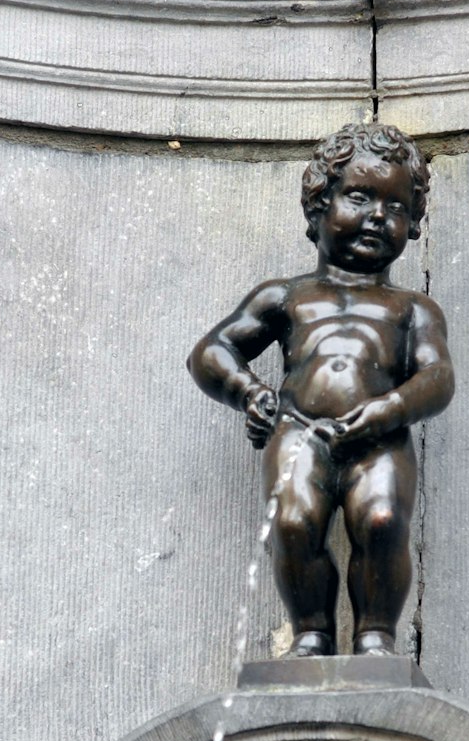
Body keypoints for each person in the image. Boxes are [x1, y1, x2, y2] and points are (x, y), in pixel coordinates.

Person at [189, 122, 454, 657]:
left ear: (415, 224)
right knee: (292, 521)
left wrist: (390, 410)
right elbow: (211, 352)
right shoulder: (287, 297)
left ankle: (376, 635)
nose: (379, 216)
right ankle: (311, 631)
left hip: (379, 433)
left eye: (397, 207)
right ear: (318, 205)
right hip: (299, 431)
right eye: (359, 196)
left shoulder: (412, 308)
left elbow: (438, 376)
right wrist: (248, 392)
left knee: (381, 521)